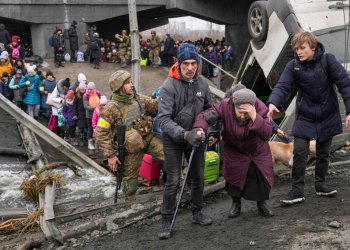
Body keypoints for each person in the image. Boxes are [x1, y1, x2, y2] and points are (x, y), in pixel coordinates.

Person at [267, 31, 350, 205]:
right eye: (296, 49)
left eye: (302, 48)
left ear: (313, 47)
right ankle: (297, 191)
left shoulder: (328, 61)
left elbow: (345, 84)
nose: (299, 52)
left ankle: (321, 185)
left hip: (328, 114)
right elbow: (282, 85)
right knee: (299, 151)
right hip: (305, 115)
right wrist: (273, 102)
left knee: (323, 153)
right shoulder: (293, 65)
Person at [157, 43, 213, 240]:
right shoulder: (168, 86)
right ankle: (166, 219)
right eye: (186, 64)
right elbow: (163, 120)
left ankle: (197, 212)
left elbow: (210, 109)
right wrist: (183, 134)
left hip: (196, 137)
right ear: (178, 63)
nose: (190, 68)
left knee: (198, 177)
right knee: (172, 181)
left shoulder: (203, 83)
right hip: (174, 139)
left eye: (193, 63)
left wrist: (207, 128)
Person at [195, 88, 275, 218]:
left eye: (246, 114)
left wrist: (255, 116)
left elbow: (267, 133)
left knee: (261, 175)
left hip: (256, 149)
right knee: (233, 176)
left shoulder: (260, 107)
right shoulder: (225, 105)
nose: (243, 116)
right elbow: (206, 114)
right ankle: (236, 203)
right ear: (234, 105)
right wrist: (199, 128)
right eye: (240, 113)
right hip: (234, 148)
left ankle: (262, 203)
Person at [96, 70, 163, 202]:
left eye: (131, 82)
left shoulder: (137, 98)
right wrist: (110, 155)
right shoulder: (111, 108)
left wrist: (169, 96)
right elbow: (101, 132)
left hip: (148, 139)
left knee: (171, 156)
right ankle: (129, 203)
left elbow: (154, 104)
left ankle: (181, 186)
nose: (131, 85)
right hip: (132, 149)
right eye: (127, 83)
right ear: (119, 88)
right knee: (131, 184)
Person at [83, 82, 100, 150]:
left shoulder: (98, 93)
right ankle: (90, 142)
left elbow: (100, 101)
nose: (89, 91)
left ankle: (97, 142)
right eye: (88, 89)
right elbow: (85, 106)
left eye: (91, 89)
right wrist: (94, 108)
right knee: (90, 128)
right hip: (89, 115)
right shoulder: (85, 95)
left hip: (98, 114)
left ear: (94, 88)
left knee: (98, 128)